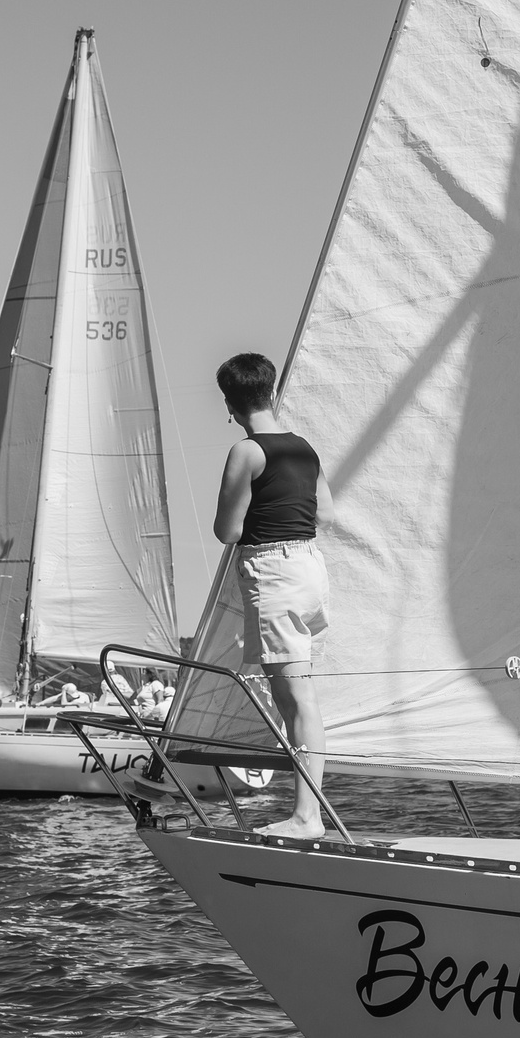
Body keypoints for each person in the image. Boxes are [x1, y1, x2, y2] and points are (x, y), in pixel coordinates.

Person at [213, 351, 334, 839]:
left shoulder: (247, 451)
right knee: (300, 698)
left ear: (230, 404)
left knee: (297, 702)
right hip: (308, 567)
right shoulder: (303, 447)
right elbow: (325, 513)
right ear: (271, 390)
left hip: (273, 573)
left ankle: (308, 817)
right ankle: (308, 812)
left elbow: (227, 530)